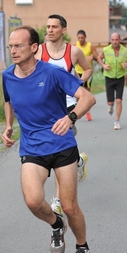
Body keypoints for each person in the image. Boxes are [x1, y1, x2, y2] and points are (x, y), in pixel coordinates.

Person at [2, 25, 96, 253]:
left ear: (34, 48)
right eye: (11, 46)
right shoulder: (7, 76)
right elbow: (9, 101)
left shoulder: (52, 73)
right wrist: (8, 126)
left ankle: (82, 247)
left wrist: (70, 118)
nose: (13, 50)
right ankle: (56, 225)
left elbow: (88, 98)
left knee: (69, 205)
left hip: (62, 146)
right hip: (32, 148)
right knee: (33, 201)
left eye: (18, 45)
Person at [35, 14, 90, 216]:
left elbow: (88, 68)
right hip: (47, 107)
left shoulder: (73, 52)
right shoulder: (39, 51)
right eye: (48, 26)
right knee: (61, 149)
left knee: (60, 148)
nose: (50, 30)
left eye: (54, 27)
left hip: (67, 106)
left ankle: (57, 200)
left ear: (63, 30)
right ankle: (79, 162)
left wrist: (78, 84)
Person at [97, 32, 127, 130]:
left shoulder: (125, 50)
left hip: (120, 77)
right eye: (113, 40)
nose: (114, 42)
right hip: (109, 77)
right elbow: (99, 58)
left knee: (119, 100)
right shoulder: (106, 49)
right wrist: (103, 65)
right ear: (110, 40)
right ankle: (110, 106)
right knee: (111, 102)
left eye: (116, 40)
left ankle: (116, 121)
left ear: (120, 40)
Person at [74, 29, 98, 121]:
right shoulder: (75, 45)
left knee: (87, 92)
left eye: (82, 38)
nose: (80, 39)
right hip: (77, 71)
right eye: (79, 38)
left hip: (87, 71)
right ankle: (78, 111)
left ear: (85, 37)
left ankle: (87, 112)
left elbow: (97, 56)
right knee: (77, 92)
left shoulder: (90, 46)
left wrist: (92, 57)